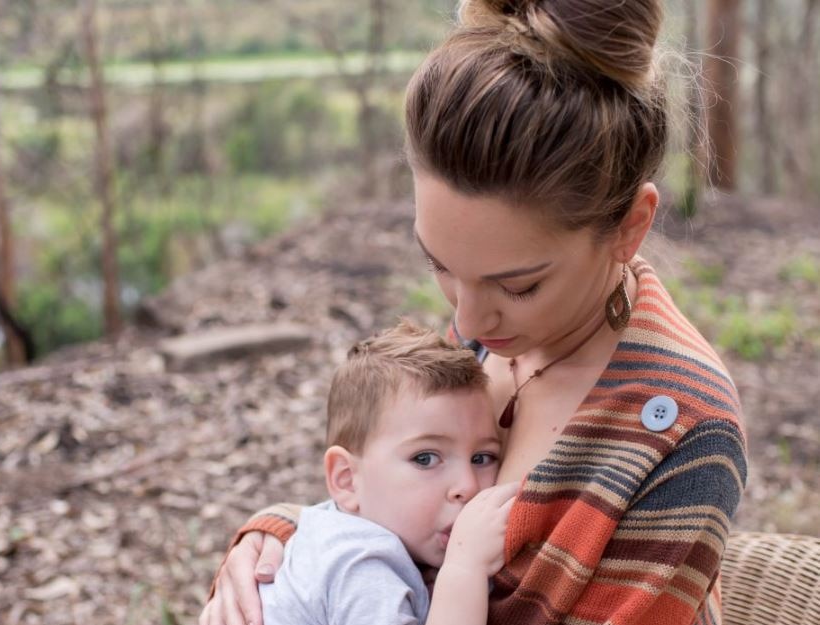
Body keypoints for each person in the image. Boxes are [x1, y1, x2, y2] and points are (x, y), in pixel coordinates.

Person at [201, 1, 748, 624]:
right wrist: (286, 542)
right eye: (439, 265)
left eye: (518, 286)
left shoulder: (681, 431)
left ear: (630, 227)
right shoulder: (491, 340)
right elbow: (399, 498)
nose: (467, 322)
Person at [256, 320, 517, 625]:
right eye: (425, 458)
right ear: (347, 480)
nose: (468, 486)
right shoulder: (361, 564)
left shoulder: (330, 534)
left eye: (482, 457)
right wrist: (465, 569)